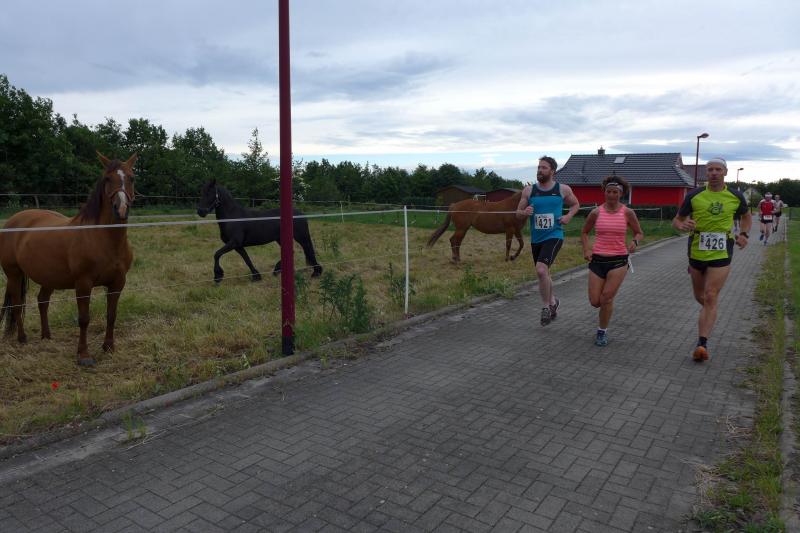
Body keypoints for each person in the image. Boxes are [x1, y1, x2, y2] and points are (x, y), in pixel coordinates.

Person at [672, 157, 752, 362]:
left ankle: (702, 344)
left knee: (710, 295)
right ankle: (711, 312)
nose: (714, 173)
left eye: (718, 169)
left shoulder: (735, 196)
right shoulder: (694, 195)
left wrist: (744, 234)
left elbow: (746, 216)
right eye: (710, 170)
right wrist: (682, 225)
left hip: (722, 250)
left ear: (725, 172)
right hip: (696, 250)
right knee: (700, 296)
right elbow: (677, 220)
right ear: (706, 173)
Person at [516, 156, 581, 326]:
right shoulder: (528, 191)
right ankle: (553, 302)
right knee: (544, 272)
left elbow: (576, 205)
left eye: (544, 168)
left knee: (540, 270)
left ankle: (545, 307)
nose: (540, 170)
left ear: (552, 171)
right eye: (538, 167)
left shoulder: (562, 189)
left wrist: (568, 216)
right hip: (536, 238)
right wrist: (524, 212)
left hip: (554, 235)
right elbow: (518, 213)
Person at [580, 176, 643, 346]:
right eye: (609, 192)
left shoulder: (627, 212)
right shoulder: (596, 212)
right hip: (597, 260)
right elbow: (584, 232)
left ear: (621, 194)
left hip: (618, 260)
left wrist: (635, 241)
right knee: (595, 301)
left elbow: (639, 232)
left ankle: (602, 332)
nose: (611, 195)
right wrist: (586, 249)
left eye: (615, 192)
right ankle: (606, 307)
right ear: (605, 192)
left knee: (606, 298)